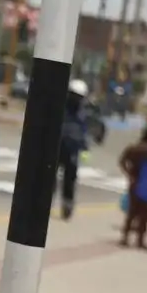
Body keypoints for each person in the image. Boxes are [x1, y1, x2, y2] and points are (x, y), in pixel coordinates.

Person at [118, 117, 147, 249]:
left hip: (135, 182)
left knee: (132, 212)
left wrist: (129, 174)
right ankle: (140, 240)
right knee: (145, 212)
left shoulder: (133, 148)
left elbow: (122, 161)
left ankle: (125, 237)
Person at [59, 79, 92, 220]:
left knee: (70, 179)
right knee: (50, 177)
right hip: (58, 146)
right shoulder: (61, 107)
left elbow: (84, 131)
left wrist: (84, 148)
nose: (76, 99)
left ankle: (67, 205)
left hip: (73, 150)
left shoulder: (82, 112)